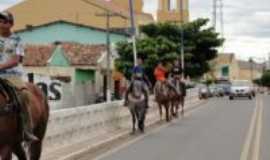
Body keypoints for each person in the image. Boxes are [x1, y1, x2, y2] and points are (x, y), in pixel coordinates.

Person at [0, 11, 38, 142]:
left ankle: (27, 130)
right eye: (0, 21)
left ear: (11, 24)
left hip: (12, 75)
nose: (1, 24)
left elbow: (16, 60)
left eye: (5, 21)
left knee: (24, 96)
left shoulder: (17, 40)